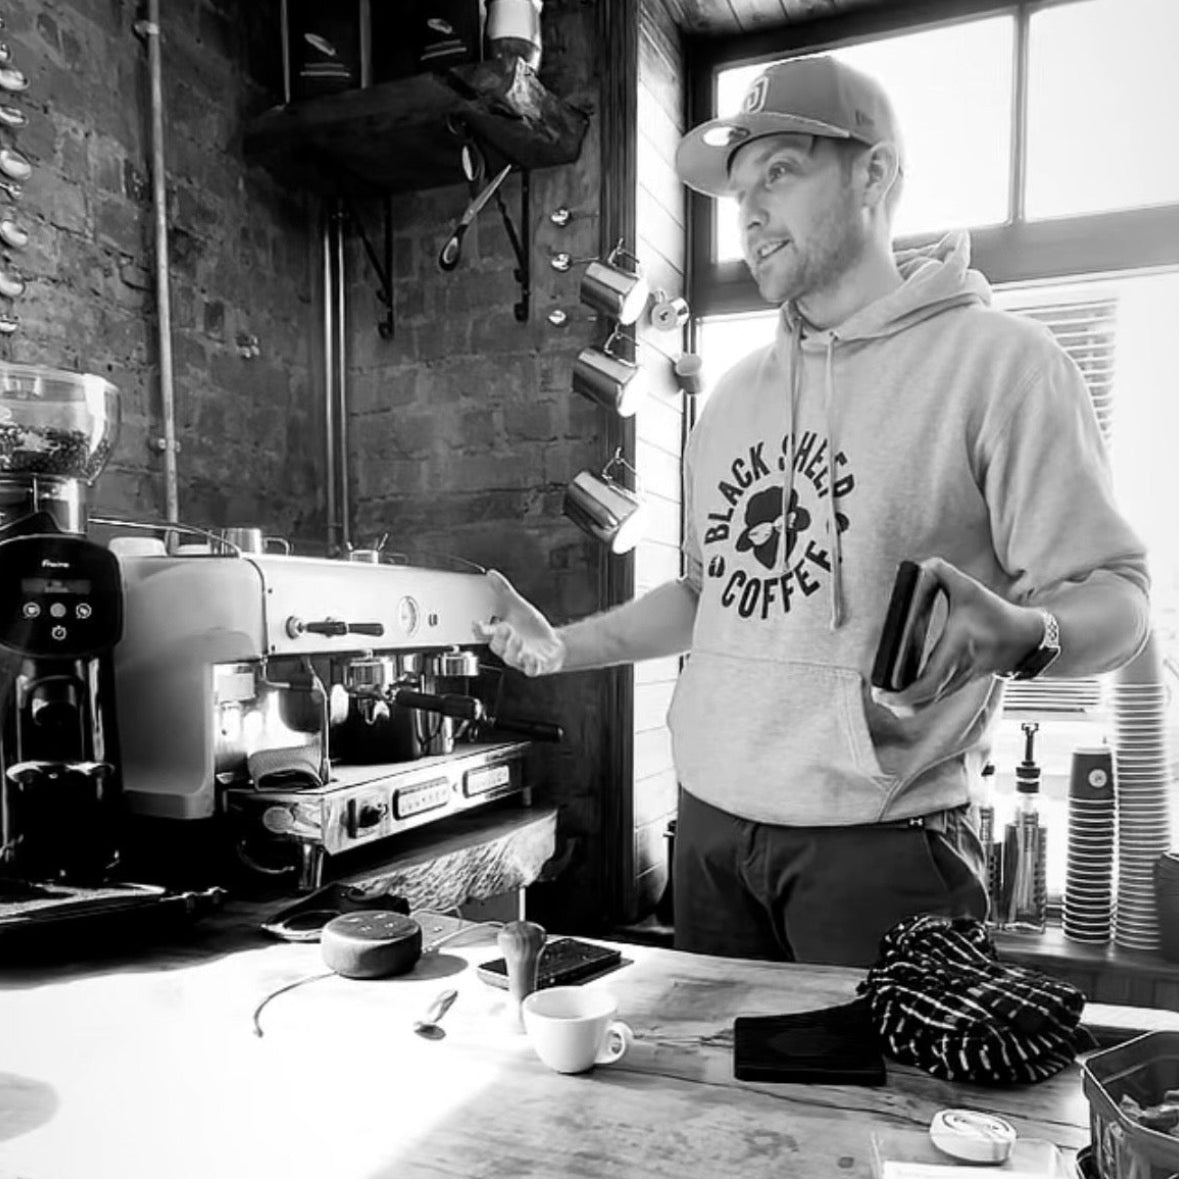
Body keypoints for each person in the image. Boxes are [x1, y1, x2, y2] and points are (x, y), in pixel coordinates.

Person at [478, 55, 1150, 966]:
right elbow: (707, 594)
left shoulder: (1005, 366)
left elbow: (1117, 598)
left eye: (781, 172)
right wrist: (562, 646)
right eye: (740, 188)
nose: (748, 212)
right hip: (711, 833)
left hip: (881, 848)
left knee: (887, 1112)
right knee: (721, 1108)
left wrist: (1024, 633)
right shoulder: (731, 400)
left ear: (874, 174)